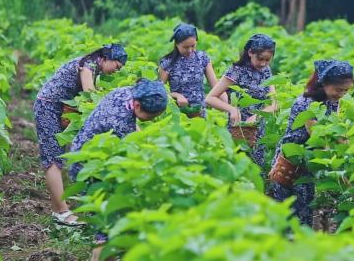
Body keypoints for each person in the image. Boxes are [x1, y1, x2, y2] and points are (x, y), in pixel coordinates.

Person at [67, 78, 168, 261]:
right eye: (151, 116)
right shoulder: (119, 122)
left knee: (110, 227)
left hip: (91, 156)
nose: (153, 120)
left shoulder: (126, 93)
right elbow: (129, 157)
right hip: (90, 168)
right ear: (138, 105)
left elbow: (133, 126)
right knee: (105, 227)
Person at [33, 44, 127, 226]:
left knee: (56, 157)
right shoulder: (89, 66)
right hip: (48, 107)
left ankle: (58, 210)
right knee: (53, 159)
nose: (116, 71)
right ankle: (62, 212)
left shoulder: (94, 65)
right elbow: (90, 95)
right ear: (108, 58)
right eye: (117, 66)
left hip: (54, 106)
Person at [269, 60, 354, 227]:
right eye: (338, 89)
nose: (341, 94)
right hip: (291, 159)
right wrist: (339, 169)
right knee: (286, 211)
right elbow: (318, 137)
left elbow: (334, 130)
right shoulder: (307, 103)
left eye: (346, 91)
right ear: (324, 83)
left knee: (305, 210)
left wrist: (348, 147)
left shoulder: (333, 101)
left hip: (308, 161)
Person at [205, 34, 278, 166]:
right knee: (237, 167)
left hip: (258, 131)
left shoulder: (266, 71)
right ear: (250, 52)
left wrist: (257, 116)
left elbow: (274, 103)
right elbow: (210, 98)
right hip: (238, 129)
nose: (263, 63)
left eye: (268, 60)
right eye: (260, 59)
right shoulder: (236, 71)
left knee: (256, 171)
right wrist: (231, 109)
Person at [158, 23, 226, 117]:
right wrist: (176, 96)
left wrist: (227, 105)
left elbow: (215, 84)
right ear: (177, 44)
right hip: (177, 113)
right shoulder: (167, 63)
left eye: (193, 46)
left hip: (200, 112)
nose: (190, 50)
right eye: (185, 47)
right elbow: (160, 90)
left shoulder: (202, 58)